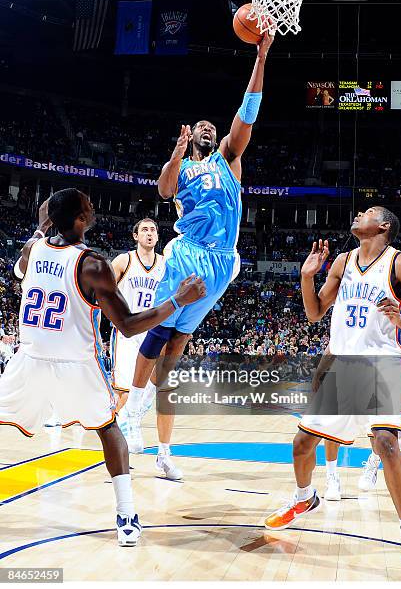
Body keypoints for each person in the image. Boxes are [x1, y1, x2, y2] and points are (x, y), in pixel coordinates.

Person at [0, 189, 205, 547]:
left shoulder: (33, 249)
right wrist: (178, 300)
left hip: (28, 358)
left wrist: (39, 230)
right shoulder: (92, 264)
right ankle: (126, 513)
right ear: (80, 220)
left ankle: (126, 512)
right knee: (109, 430)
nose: (94, 208)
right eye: (88, 206)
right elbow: (126, 324)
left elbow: (19, 268)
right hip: (75, 364)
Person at [121, 30, 276, 473]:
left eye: (213, 126)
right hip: (189, 252)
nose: (209, 128)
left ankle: (163, 445)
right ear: (192, 139)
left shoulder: (230, 157)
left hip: (222, 261)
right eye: (201, 127)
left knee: (177, 347)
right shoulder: (186, 167)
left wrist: (260, 57)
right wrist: (175, 153)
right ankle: (132, 414)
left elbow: (248, 111)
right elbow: (165, 189)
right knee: (158, 332)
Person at [264, 206, 401, 565]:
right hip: (342, 366)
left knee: (387, 444)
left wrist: (400, 317)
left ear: (384, 226)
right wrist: (306, 277)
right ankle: (304, 497)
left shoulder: (399, 264)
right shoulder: (342, 261)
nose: (359, 213)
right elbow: (314, 313)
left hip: (382, 364)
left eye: (368, 212)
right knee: (301, 444)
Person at [110, 217, 182, 479]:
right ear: (135, 235)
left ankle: (163, 455)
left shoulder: (167, 264)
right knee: (125, 395)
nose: (150, 233)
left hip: (157, 331)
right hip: (129, 332)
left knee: (165, 393)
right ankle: (119, 444)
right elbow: (104, 291)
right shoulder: (123, 261)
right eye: (145, 230)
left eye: (153, 230)